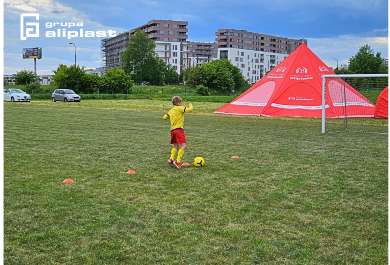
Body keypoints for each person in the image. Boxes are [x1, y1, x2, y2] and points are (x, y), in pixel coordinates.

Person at [163, 96, 193, 169]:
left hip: (172, 130)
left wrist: (171, 116)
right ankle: (178, 161)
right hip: (178, 130)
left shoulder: (171, 110)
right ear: (179, 103)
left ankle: (171, 159)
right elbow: (190, 110)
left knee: (176, 146)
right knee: (184, 146)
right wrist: (190, 105)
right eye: (181, 103)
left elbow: (164, 117)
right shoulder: (180, 108)